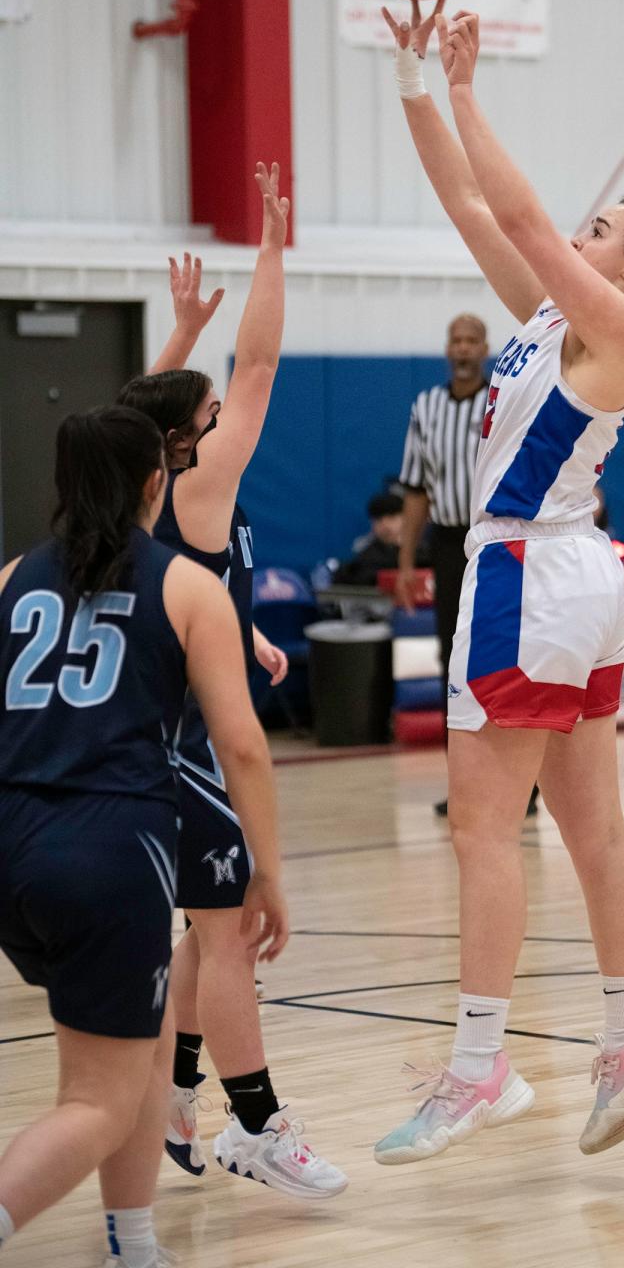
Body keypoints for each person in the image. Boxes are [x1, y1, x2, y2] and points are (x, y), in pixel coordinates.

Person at [374, 0, 624, 1162]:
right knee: (592, 827)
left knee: (482, 829)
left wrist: (474, 90)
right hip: (574, 581)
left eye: (599, 224)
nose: (576, 228)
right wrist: (418, 75)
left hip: (526, 572)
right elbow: (473, 204)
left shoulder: (610, 332)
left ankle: (481, 1069)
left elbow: (512, 206)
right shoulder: (545, 315)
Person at [0, 406, 288, 1268]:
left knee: (145, 1045)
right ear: (155, 483)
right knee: (102, 1101)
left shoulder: (12, 575)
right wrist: (265, 871)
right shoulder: (186, 585)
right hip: (107, 848)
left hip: (11, 839)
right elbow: (240, 743)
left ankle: (134, 1240)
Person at [118, 164, 347, 1200]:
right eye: (207, 409)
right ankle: (256, 1124)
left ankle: (172, 1101)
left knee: (206, 937)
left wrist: (241, 637)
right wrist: (269, 245)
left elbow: (133, 421)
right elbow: (256, 363)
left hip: (142, 730)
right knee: (236, 929)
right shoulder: (205, 478)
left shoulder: (138, 490)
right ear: (190, 439)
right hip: (185, 745)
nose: (230, 410)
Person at [396, 313, 539, 816]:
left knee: (505, 656)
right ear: (446, 348)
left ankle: (522, 785)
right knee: (452, 662)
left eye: (470, 340)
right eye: (454, 339)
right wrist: (408, 560)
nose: (461, 348)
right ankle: (464, 784)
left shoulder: (502, 402)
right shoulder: (426, 407)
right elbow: (415, 490)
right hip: (448, 542)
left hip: (500, 540)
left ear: (485, 350)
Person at [333, 490, 405, 586]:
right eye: (379, 520)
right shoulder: (365, 558)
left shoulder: (423, 553)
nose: (386, 525)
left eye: (392, 517)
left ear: (406, 518)